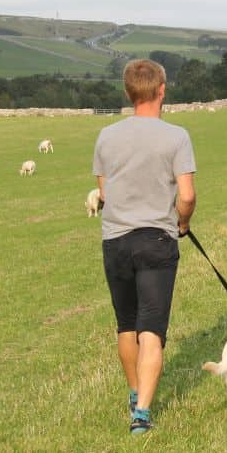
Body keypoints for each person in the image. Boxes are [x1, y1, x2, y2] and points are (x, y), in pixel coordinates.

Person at [93, 59, 197, 434]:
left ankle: (135, 393)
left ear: (128, 92)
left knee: (126, 324)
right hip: (156, 240)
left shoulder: (106, 136)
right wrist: (182, 223)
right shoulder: (177, 136)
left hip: (115, 240)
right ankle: (142, 416)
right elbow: (186, 195)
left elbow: (105, 192)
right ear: (162, 90)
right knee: (151, 327)